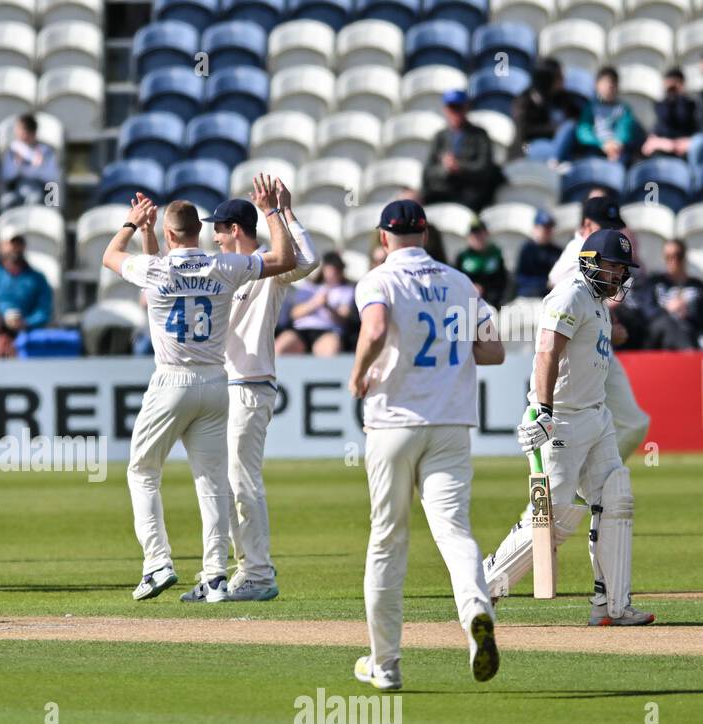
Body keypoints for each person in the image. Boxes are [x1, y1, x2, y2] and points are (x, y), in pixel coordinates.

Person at [102, 177, 297, 603]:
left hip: (171, 379)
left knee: (142, 470)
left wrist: (134, 224)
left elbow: (111, 256)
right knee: (212, 482)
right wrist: (273, 210)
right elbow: (285, 257)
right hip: (215, 381)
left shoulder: (155, 267)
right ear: (199, 232)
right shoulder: (223, 265)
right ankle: (214, 576)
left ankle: (157, 563)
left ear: (170, 234)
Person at [347, 199, 504, 692]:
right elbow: (493, 351)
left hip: (394, 423)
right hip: (451, 422)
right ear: (426, 234)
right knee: (454, 532)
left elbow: (374, 330)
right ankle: (476, 610)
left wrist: (357, 376)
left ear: (384, 237)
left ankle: (386, 665)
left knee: (388, 541)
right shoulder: (461, 283)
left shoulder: (379, 278)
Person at [481, 230, 655, 627]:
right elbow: (547, 351)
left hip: (597, 416)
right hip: (561, 419)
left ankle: (612, 606)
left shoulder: (597, 302)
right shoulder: (570, 294)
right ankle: (485, 587)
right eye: (614, 267)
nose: (619, 277)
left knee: (616, 497)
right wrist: (542, 410)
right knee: (553, 518)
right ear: (591, 261)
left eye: (622, 270)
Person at [205, 182, 317, 602]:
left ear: (234, 228)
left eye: (217, 229)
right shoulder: (220, 269)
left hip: (250, 386)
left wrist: (282, 211)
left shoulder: (265, 267)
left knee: (241, 479)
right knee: (226, 481)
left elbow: (307, 260)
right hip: (221, 386)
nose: (213, 236)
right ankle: (242, 569)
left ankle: (258, 573)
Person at [548, 194, 650, 459]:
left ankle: (586, 483)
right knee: (583, 436)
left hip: (598, 348)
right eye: (605, 226)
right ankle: (578, 485)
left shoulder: (599, 253)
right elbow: (567, 300)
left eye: (614, 227)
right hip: (576, 354)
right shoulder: (578, 253)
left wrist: (606, 325)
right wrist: (604, 328)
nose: (611, 233)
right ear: (586, 225)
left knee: (630, 423)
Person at [0, 234, 53, 357]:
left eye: (19, 243)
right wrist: (0, 322)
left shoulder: (38, 278)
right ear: (1, 246)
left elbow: (44, 310)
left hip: (24, 330)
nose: (15, 248)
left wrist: (26, 323)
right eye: (11, 243)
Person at [422, 90, 500, 212]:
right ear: (446, 110)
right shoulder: (440, 136)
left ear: (466, 108)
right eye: (452, 108)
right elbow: (428, 171)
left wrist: (459, 167)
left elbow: (485, 168)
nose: (455, 113)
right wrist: (445, 168)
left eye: (459, 108)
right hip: (443, 190)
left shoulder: (479, 135)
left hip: (470, 192)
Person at [279, 251, 354, 355]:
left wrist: (327, 306)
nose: (332, 273)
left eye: (335, 270)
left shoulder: (347, 290)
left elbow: (343, 319)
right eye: (330, 269)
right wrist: (315, 303)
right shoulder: (308, 287)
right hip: (301, 330)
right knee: (280, 347)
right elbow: (294, 314)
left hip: (327, 330)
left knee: (330, 351)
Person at [509, 56, 579, 161]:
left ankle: (556, 160)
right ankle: (555, 161)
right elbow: (524, 131)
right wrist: (554, 129)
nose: (563, 80)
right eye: (559, 77)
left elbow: (576, 117)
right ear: (547, 79)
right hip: (529, 147)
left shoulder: (563, 98)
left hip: (559, 145)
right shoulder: (525, 100)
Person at [569, 66, 642, 166]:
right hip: (594, 148)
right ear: (597, 85)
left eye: (612, 83)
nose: (609, 87)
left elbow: (624, 130)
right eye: (605, 83)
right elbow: (584, 131)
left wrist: (616, 144)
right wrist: (602, 144)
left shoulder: (623, 109)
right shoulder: (590, 107)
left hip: (617, 150)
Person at [644, 240, 703, 350]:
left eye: (678, 256)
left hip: (690, 331)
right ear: (663, 258)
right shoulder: (655, 282)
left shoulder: (697, 285)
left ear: (684, 257)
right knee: (667, 323)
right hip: (660, 335)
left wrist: (688, 312)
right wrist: (668, 309)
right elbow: (647, 312)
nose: (673, 261)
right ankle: (689, 356)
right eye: (668, 257)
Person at [0, 113, 59, 211]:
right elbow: (6, 176)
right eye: (18, 131)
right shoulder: (13, 150)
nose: (21, 135)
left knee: (34, 199)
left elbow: (51, 176)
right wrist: (18, 165)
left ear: (33, 133)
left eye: (24, 131)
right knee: (7, 201)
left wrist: (36, 167)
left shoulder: (46, 151)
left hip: (39, 192)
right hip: (17, 191)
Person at [641, 67, 699, 161]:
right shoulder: (661, 104)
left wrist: (681, 96)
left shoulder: (690, 104)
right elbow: (665, 118)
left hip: (683, 143)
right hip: (665, 143)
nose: (672, 88)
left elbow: (683, 117)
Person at [455, 217, 508, 308]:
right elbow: (456, 283)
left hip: (492, 303)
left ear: (487, 234)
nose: (477, 238)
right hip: (466, 303)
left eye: (480, 234)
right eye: (474, 234)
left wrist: (485, 290)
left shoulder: (495, 255)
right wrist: (471, 288)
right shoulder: (462, 257)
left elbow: (502, 282)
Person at [514, 209, 562, 298]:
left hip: (552, 297)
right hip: (529, 297)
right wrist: (545, 283)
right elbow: (520, 279)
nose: (547, 231)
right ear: (535, 228)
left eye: (550, 227)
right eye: (544, 227)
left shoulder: (557, 251)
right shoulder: (527, 250)